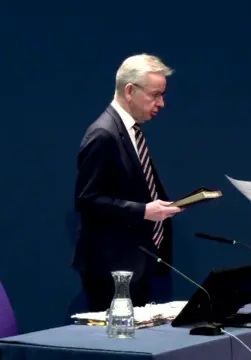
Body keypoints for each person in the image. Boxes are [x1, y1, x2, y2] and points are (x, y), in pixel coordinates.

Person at [72, 54, 182, 311]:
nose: (161, 103)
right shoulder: (103, 134)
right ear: (130, 90)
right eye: (155, 95)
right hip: (111, 267)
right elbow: (88, 201)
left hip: (135, 262)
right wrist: (145, 211)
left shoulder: (130, 130)